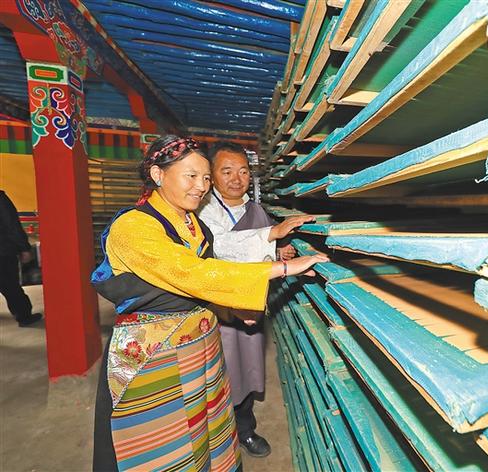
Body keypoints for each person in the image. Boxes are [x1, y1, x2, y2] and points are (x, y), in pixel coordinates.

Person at [91, 135, 327, 472]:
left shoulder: (193, 224)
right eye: (191, 176)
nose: (201, 186)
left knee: (205, 434)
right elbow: (192, 274)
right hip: (155, 355)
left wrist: (231, 308)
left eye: (204, 177)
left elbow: (203, 286)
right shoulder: (133, 226)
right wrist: (282, 268)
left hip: (199, 350)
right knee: (165, 446)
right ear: (158, 174)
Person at [198, 142, 312, 458]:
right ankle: (212, 436)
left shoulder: (255, 210)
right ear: (211, 175)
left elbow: (259, 255)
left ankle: (245, 430)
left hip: (250, 304)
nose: (237, 179)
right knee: (214, 373)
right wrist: (270, 236)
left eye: (243, 171)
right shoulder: (202, 210)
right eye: (227, 171)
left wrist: (277, 252)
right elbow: (217, 248)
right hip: (217, 308)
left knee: (246, 368)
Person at [0, 191, 42, 327]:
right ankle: (23, 316)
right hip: (3, 252)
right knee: (10, 286)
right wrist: (24, 248)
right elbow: (12, 225)